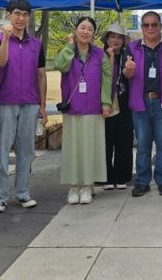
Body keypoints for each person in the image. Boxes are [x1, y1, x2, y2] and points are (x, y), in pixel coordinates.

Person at [0, 0, 47, 213]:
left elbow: (41, 75)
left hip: (29, 102)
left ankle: (23, 192)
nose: (21, 18)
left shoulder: (36, 44)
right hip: (4, 102)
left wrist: (42, 105)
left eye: (25, 14)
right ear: (8, 15)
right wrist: (6, 38)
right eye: (17, 14)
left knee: (26, 151)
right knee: (1, 151)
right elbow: (0, 62)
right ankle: (0, 197)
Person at [54, 16, 112, 204]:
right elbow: (60, 66)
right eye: (82, 27)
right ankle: (73, 186)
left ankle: (87, 185)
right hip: (73, 107)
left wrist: (106, 102)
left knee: (91, 148)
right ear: (76, 30)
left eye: (89, 29)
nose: (85, 31)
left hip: (94, 107)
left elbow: (107, 78)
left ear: (94, 33)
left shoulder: (100, 54)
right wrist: (69, 46)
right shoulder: (68, 50)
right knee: (73, 148)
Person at [124, 12, 162, 197]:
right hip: (141, 102)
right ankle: (142, 181)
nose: (150, 28)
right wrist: (128, 70)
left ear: (160, 26)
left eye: (154, 24)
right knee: (143, 145)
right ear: (141, 28)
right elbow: (127, 74)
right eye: (146, 25)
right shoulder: (132, 47)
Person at [101, 23, 133, 190]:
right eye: (112, 37)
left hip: (124, 103)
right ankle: (105, 176)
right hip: (105, 103)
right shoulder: (99, 55)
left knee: (124, 141)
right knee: (105, 140)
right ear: (107, 39)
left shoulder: (128, 56)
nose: (115, 40)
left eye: (119, 37)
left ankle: (122, 176)